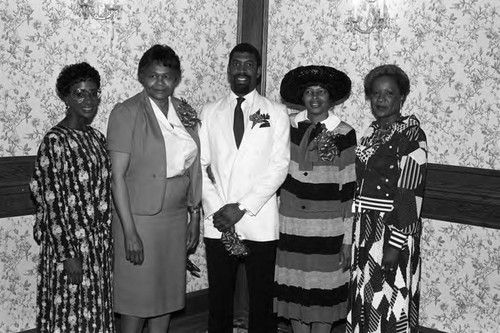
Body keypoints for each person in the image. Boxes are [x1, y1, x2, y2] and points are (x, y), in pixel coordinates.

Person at [107, 44, 202, 333]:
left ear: (177, 78)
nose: (160, 83)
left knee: (166, 295)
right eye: (152, 76)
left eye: (167, 76)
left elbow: (194, 167)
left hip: (174, 218)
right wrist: (130, 231)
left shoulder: (184, 111)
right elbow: (117, 178)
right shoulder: (127, 112)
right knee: (137, 298)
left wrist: (194, 216)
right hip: (139, 218)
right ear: (140, 76)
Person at [199, 42, 291, 333]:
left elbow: (279, 167)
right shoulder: (210, 111)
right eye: (236, 64)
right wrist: (218, 210)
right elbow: (199, 166)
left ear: (259, 71)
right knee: (219, 300)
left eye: (249, 64)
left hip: (258, 218)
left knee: (262, 300)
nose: (242, 70)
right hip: (218, 220)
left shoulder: (276, 113)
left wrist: (240, 208)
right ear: (228, 69)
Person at [30, 62, 114, 333]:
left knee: (96, 311)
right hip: (69, 245)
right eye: (79, 93)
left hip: (98, 244)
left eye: (93, 92)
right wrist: (68, 255)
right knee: (69, 315)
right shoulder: (55, 141)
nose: (88, 99)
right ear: (66, 97)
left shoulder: (97, 138)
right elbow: (51, 202)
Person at [274, 65, 356, 333]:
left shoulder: (344, 133)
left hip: (328, 229)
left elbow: (349, 190)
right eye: (309, 92)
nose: (315, 97)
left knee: (323, 294)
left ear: (330, 97)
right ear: (302, 96)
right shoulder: (285, 125)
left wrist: (347, 240)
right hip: (292, 225)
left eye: (321, 92)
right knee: (295, 290)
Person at [346, 64, 427, 333]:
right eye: (376, 94)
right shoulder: (370, 133)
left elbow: (410, 191)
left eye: (389, 93)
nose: (381, 100)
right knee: (365, 300)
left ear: (401, 97)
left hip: (393, 229)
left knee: (389, 303)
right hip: (365, 230)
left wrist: (395, 243)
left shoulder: (412, 134)